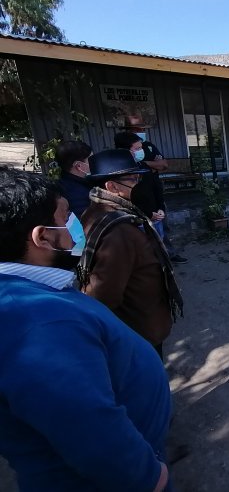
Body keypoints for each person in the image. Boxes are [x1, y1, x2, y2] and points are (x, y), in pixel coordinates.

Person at [0, 166, 171, 491]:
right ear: (42, 237)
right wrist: (149, 476)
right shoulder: (38, 322)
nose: (74, 224)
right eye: (66, 217)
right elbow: (86, 426)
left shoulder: (27, 294)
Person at [79, 149, 183, 359]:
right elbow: (104, 295)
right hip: (138, 329)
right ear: (112, 186)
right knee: (148, 384)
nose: (138, 183)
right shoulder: (119, 232)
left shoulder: (96, 211)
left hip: (136, 326)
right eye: (133, 178)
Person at [118, 121, 188, 264]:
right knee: (146, 253)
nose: (141, 151)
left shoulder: (143, 164)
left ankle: (166, 263)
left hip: (156, 213)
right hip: (141, 218)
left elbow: (159, 179)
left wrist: (160, 208)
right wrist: (149, 214)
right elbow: (130, 199)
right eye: (137, 148)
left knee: (160, 241)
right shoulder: (121, 174)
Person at [54, 139, 93, 218]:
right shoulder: (78, 196)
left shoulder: (61, 183)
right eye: (91, 160)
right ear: (79, 166)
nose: (94, 163)